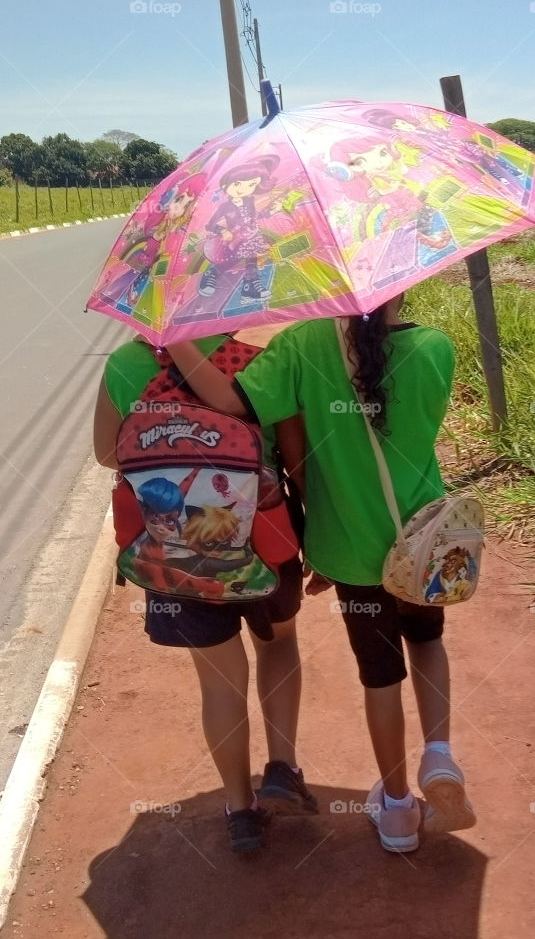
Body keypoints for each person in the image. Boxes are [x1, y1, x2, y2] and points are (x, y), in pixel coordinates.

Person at [166, 294, 476, 854]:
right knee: (428, 642)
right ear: (403, 284)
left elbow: (230, 401)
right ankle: (440, 755)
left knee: (380, 675)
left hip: (350, 549)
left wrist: (173, 335)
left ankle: (400, 810)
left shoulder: (304, 344)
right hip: (425, 540)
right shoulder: (436, 348)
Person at [92, 330, 317, 854]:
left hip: (172, 556)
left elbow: (108, 454)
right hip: (262, 542)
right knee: (279, 644)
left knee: (218, 682)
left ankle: (240, 810)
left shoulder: (126, 363)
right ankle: (282, 767)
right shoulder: (259, 362)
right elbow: (298, 461)